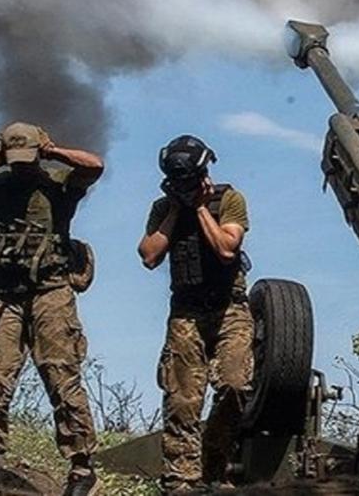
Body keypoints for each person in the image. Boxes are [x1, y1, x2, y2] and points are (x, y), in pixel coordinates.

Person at [0, 122, 103, 496]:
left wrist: (54, 150)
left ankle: (82, 469)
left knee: (62, 379)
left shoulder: (59, 183)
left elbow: (94, 166)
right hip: (4, 295)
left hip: (51, 292)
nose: (22, 166)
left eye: (27, 158)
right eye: (15, 160)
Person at [137, 135, 252, 494]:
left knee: (235, 384)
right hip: (186, 312)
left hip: (229, 308)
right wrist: (175, 209)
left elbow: (226, 249)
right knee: (182, 399)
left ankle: (214, 464)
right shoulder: (162, 208)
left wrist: (201, 207)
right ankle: (180, 479)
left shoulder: (228, 199)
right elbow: (149, 255)